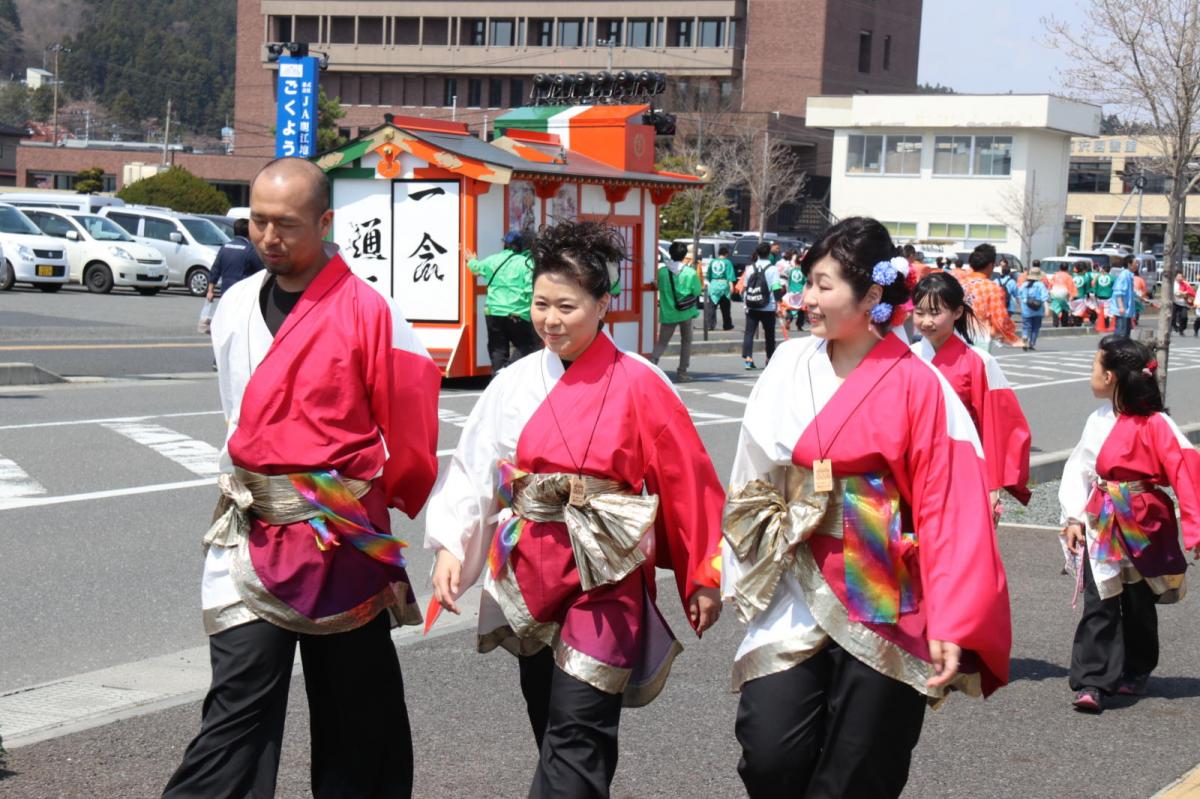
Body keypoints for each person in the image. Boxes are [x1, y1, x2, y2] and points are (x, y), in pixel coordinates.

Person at [162, 158, 442, 798]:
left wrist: (381, 501)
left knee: (355, 711)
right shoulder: (235, 303)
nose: (268, 237)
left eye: (285, 224)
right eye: (257, 221)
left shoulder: (370, 312)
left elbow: (410, 425)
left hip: (338, 531)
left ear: (325, 222)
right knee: (236, 704)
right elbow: (236, 408)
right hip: (253, 525)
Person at [425, 219, 724, 798]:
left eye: (567, 306)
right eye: (541, 304)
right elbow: (475, 469)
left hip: (608, 573)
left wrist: (702, 574)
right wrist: (451, 546)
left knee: (579, 721)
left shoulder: (641, 382)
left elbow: (688, 483)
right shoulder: (511, 382)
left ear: (603, 304)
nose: (551, 320)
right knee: (552, 721)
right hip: (529, 568)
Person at [723, 217, 1011, 799]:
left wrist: (954, 616)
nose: (807, 298)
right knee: (770, 752)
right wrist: (735, 566)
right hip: (793, 567)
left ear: (873, 295)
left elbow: (949, 506)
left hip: (883, 574)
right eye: (808, 282)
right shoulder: (787, 364)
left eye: (824, 286)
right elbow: (750, 474)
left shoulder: (918, 384)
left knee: (862, 762)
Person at [1058, 336, 1200, 713]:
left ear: (1110, 377)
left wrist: (1195, 530)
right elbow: (1079, 468)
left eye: (1093, 367)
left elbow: (1186, 470)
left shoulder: (1156, 423)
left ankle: (1136, 668)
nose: (1090, 374)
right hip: (1101, 518)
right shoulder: (1096, 420)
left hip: (1140, 520)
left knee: (1137, 602)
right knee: (1100, 596)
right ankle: (1093, 680)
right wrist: (1072, 516)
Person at [911, 271, 1032, 522]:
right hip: (913, 467)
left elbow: (998, 427)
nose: (925, 321)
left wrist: (992, 486)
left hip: (963, 468)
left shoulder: (979, 362)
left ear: (957, 312)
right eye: (919, 312)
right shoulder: (906, 357)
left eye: (935, 312)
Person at [467, 230, 539, 373]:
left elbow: (476, 269)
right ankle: (509, 371)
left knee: (498, 349)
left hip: (493, 312)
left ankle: (498, 380)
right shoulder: (527, 263)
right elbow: (531, 289)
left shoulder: (493, 259)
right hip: (517, 313)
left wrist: (470, 260)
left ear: (505, 244)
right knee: (526, 345)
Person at [650, 240, 701, 382]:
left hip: (668, 313)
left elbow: (656, 285)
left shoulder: (662, 272)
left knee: (662, 343)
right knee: (686, 342)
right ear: (685, 255)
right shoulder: (690, 273)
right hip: (687, 312)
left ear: (670, 254)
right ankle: (682, 372)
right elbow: (696, 291)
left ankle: (651, 366)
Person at [955, 243, 1023, 350]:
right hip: (979, 338)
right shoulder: (992, 288)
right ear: (991, 265)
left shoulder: (958, 284)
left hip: (954, 335)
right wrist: (1011, 333)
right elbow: (1000, 320)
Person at [740, 241, 782, 370]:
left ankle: (748, 359)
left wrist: (745, 303)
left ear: (757, 253)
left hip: (752, 304)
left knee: (749, 333)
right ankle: (769, 358)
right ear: (769, 253)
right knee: (769, 333)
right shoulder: (773, 269)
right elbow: (776, 288)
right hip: (768, 306)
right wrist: (779, 304)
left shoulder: (750, 268)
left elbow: (745, 287)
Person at [206, 218, 263, 302]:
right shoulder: (250, 249)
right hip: (243, 293)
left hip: (225, 291)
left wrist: (210, 291)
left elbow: (215, 270)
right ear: (249, 233)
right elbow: (261, 272)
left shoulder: (224, 248)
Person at [1018, 265, 1050, 350]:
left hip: (1026, 309)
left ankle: (1025, 336)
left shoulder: (1024, 285)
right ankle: (1031, 343)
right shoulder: (1040, 285)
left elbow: (1020, 295)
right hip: (1038, 310)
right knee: (1035, 327)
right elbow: (1044, 297)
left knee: (1026, 326)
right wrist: (1047, 309)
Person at [705, 245, 736, 331]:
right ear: (726, 254)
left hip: (714, 284)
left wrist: (713, 282)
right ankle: (727, 325)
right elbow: (730, 276)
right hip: (724, 285)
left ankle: (709, 325)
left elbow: (709, 275)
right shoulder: (727, 262)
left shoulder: (712, 262)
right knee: (725, 307)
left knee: (711, 307)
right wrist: (731, 287)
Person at [1109, 256, 1137, 338]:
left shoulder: (1129, 275)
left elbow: (1130, 293)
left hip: (1127, 311)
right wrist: (1121, 307)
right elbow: (1118, 292)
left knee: (1126, 333)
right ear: (1129, 264)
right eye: (1136, 263)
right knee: (1121, 333)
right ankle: (1116, 349)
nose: (1137, 265)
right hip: (1122, 311)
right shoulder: (1124, 275)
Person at [781, 249, 807, 331]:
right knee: (801, 309)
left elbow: (789, 281)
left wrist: (789, 290)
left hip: (792, 291)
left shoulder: (792, 270)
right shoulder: (804, 271)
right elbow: (805, 282)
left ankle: (788, 319)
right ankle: (799, 325)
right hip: (800, 291)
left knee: (790, 307)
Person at [1048, 262, 1077, 328]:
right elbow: (1071, 286)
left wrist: (1049, 291)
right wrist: (1072, 295)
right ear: (1067, 268)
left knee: (1055, 307)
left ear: (1060, 268)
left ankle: (1055, 323)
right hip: (1064, 292)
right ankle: (1064, 323)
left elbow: (1051, 284)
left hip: (1055, 291)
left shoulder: (1055, 275)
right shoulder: (1068, 276)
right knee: (1065, 307)